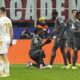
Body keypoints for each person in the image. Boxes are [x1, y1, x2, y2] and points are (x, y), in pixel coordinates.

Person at [0, 7, 13, 77]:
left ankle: (7, 73)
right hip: (7, 38)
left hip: (2, 40)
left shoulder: (0, 20)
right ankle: (1, 71)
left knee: (4, 56)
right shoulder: (9, 20)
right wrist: (11, 40)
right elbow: (11, 30)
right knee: (1, 55)